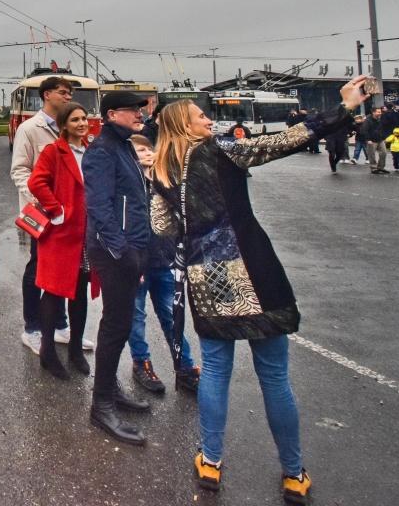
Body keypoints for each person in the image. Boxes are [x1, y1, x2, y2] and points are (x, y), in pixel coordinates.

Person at [149, 75, 368, 503]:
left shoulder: (161, 171)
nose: (208, 120)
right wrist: (344, 108)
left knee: (214, 372)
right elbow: (287, 140)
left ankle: (210, 460)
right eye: (200, 116)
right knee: (274, 376)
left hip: (206, 279)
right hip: (254, 270)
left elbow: (162, 228)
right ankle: (293, 472)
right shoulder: (224, 151)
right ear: (184, 125)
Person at [82, 90, 154, 445]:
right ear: (112, 115)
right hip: (115, 252)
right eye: (133, 110)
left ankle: (110, 388)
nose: (139, 115)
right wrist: (120, 249)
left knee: (121, 324)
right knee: (115, 326)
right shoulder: (102, 151)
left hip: (132, 247)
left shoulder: (124, 144)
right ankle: (102, 405)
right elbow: (99, 207)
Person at [11, 76, 93, 354]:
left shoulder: (74, 132)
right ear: (47, 95)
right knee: (38, 267)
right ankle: (32, 328)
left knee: (67, 268)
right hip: (41, 213)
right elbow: (21, 170)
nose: (67, 97)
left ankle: (61, 326)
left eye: (70, 93)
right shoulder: (29, 129)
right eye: (62, 92)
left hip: (68, 216)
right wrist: (45, 201)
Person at [27, 102, 100, 379]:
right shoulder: (53, 151)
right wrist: (57, 209)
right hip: (61, 233)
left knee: (80, 290)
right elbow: (37, 182)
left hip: (85, 233)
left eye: (84, 118)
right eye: (75, 120)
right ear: (64, 125)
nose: (82, 123)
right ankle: (47, 351)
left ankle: (75, 351)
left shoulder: (92, 151)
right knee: (55, 291)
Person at [127, 134, 199, 396]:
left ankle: (186, 368)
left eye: (147, 149)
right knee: (136, 317)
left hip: (164, 260)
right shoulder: (127, 184)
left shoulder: (166, 181)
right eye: (138, 151)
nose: (146, 153)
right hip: (136, 264)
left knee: (172, 316)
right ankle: (141, 363)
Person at [365, 107, 390, 174]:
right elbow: (364, 130)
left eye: (380, 112)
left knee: (384, 153)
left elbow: (382, 129)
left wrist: (384, 137)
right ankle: (373, 168)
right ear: (373, 112)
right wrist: (368, 139)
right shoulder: (368, 120)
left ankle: (381, 167)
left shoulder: (380, 119)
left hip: (380, 139)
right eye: (378, 112)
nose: (380, 113)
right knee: (371, 154)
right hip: (371, 140)